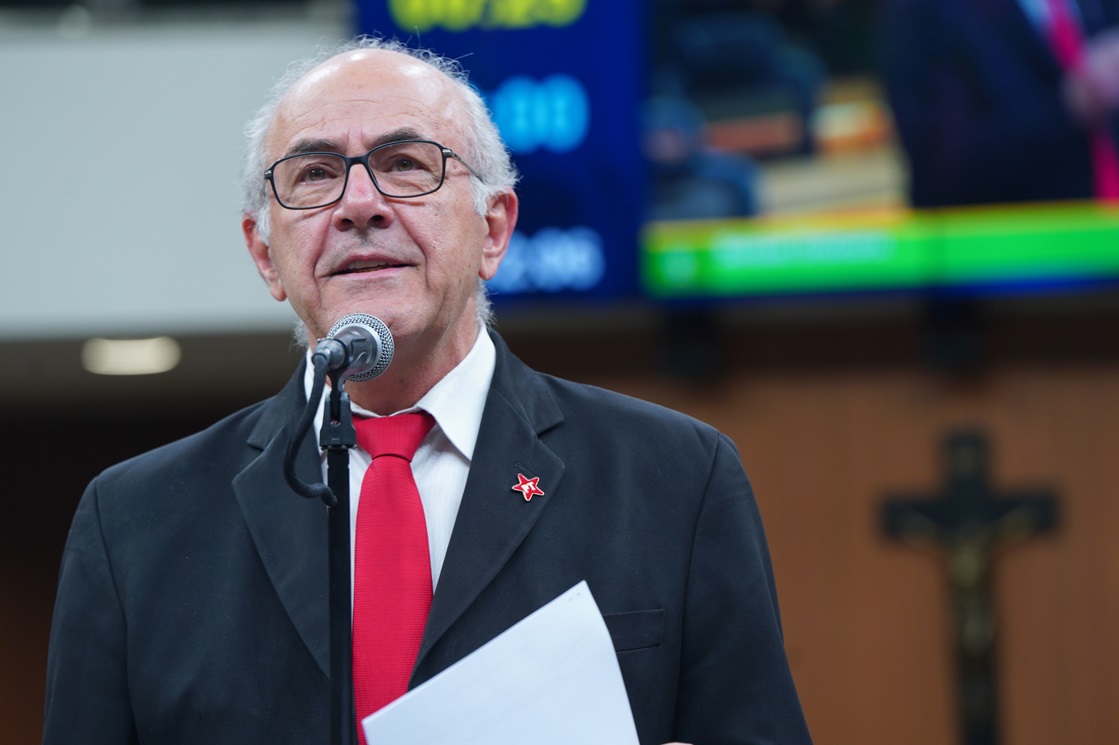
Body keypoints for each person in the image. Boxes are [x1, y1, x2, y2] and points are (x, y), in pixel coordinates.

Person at [42, 37, 813, 745]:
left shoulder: (674, 477)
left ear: (494, 230)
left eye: (406, 163)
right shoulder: (134, 522)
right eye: (314, 175)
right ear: (265, 255)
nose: (359, 204)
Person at [883, 0, 1119, 208]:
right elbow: (942, 170)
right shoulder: (927, 11)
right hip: (1019, 233)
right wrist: (1068, 106)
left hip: (1104, 225)